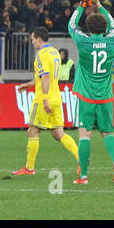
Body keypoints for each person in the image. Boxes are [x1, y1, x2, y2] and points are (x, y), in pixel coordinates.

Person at [67, 0, 114, 185]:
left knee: (85, 134)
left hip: (86, 96)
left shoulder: (83, 41)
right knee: (108, 132)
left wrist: (84, 5)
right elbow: (113, 23)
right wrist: (100, 5)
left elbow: (72, 23)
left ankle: (83, 176)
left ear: (89, 28)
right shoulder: (112, 40)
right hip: (106, 95)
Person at [12, 26, 81, 175]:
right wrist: (29, 85)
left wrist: (44, 99)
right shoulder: (55, 52)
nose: (32, 43)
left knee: (32, 131)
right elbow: (44, 77)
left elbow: (46, 77)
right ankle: (81, 159)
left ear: (38, 38)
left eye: (32, 40)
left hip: (44, 99)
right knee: (58, 133)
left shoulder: (41, 54)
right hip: (56, 97)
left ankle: (29, 168)